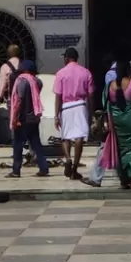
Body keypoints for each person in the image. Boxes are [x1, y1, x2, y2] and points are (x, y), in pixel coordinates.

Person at [52, 47, 95, 180]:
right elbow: (91, 94)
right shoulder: (86, 72)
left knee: (65, 137)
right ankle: (74, 168)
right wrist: (91, 113)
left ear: (66, 58)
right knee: (79, 138)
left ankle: (68, 159)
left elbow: (58, 96)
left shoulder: (60, 73)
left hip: (66, 107)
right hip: (80, 105)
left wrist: (56, 115)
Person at [105, 59, 131, 188]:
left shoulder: (110, 85)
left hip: (117, 122)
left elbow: (106, 104)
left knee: (121, 149)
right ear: (129, 70)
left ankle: (125, 179)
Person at [7, 58, 50, 178]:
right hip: (34, 118)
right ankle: (43, 168)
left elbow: (19, 100)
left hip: (23, 118)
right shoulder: (37, 81)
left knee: (18, 145)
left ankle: (16, 170)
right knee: (36, 144)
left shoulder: (22, 81)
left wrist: (15, 117)